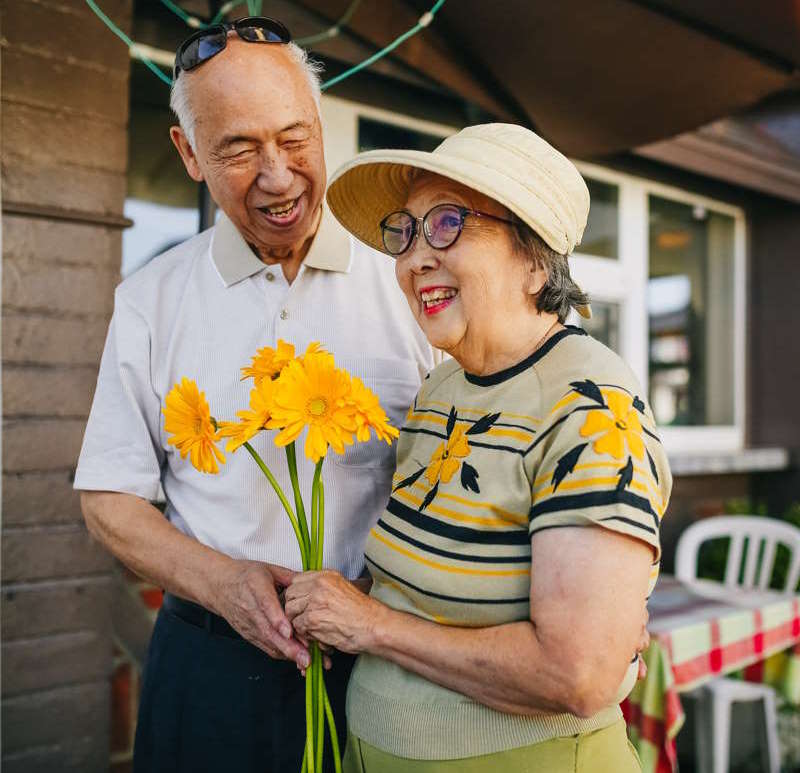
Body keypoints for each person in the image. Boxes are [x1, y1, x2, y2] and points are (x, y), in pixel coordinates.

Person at [74, 18, 436, 773]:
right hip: (209, 668)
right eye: (239, 148)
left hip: (389, 665)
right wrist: (226, 583)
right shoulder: (151, 299)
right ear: (189, 155)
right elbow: (108, 496)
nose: (278, 176)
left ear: (322, 124)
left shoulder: (411, 280)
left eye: (295, 138)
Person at [284, 123, 672, 772]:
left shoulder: (589, 401)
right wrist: (333, 597)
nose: (413, 260)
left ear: (532, 255)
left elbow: (579, 675)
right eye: (404, 232)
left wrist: (369, 625)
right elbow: (426, 583)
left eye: (446, 224)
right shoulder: (441, 388)